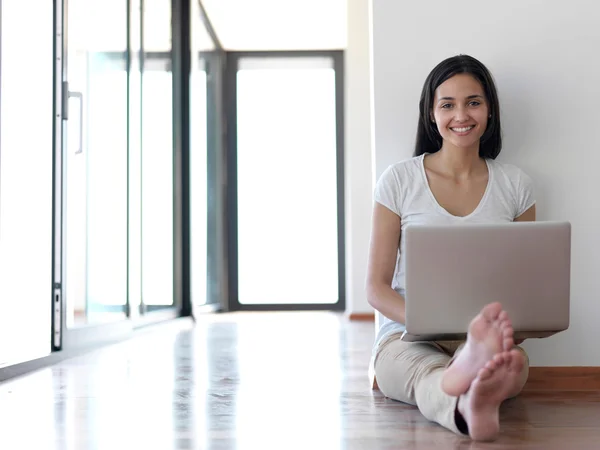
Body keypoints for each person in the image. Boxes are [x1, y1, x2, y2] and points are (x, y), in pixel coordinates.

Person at [366, 54, 536, 442]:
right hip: (408, 333)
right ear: (431, 114)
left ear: (490, 110)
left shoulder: (516, 186)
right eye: (448, 104)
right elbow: (376, 288)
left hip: (483, 333)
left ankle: (470, 376)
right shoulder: (399, 180)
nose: (462, 114)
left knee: (516, 364)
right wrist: (429, 322)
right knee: (422, 373)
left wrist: (511, 330)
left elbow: (526, 288)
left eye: (473, 102)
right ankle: (468, 395)